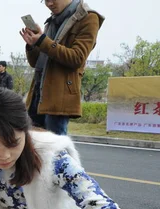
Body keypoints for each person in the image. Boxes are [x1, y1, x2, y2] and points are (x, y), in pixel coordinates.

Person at [20, 0, 103, 136]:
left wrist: (42, 41)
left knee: (56, 150)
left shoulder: (88, 18)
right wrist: (32, 45)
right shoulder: (52, 20)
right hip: (37, 94)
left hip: (59, 96)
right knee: (34, 150)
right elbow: (35, 63)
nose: (49, 3)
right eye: (45, 0)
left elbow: (77, 58)